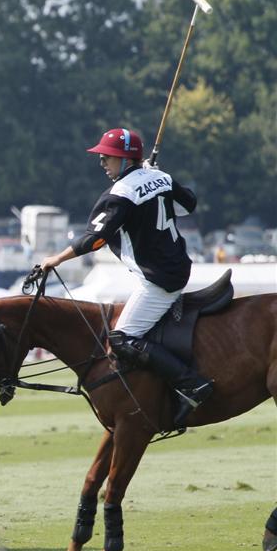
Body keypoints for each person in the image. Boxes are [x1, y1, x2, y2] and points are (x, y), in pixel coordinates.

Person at [40, 128, 211, 428]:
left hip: (159, 280)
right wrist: (156, 177)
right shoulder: (162, 177)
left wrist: (56, 259)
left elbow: (95, 239)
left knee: (121, 339)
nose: (102, 163)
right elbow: (189, 205)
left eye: (107, 157)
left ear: (124, 159)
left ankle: (191, 384)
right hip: (177, 267)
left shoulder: (120, 194)